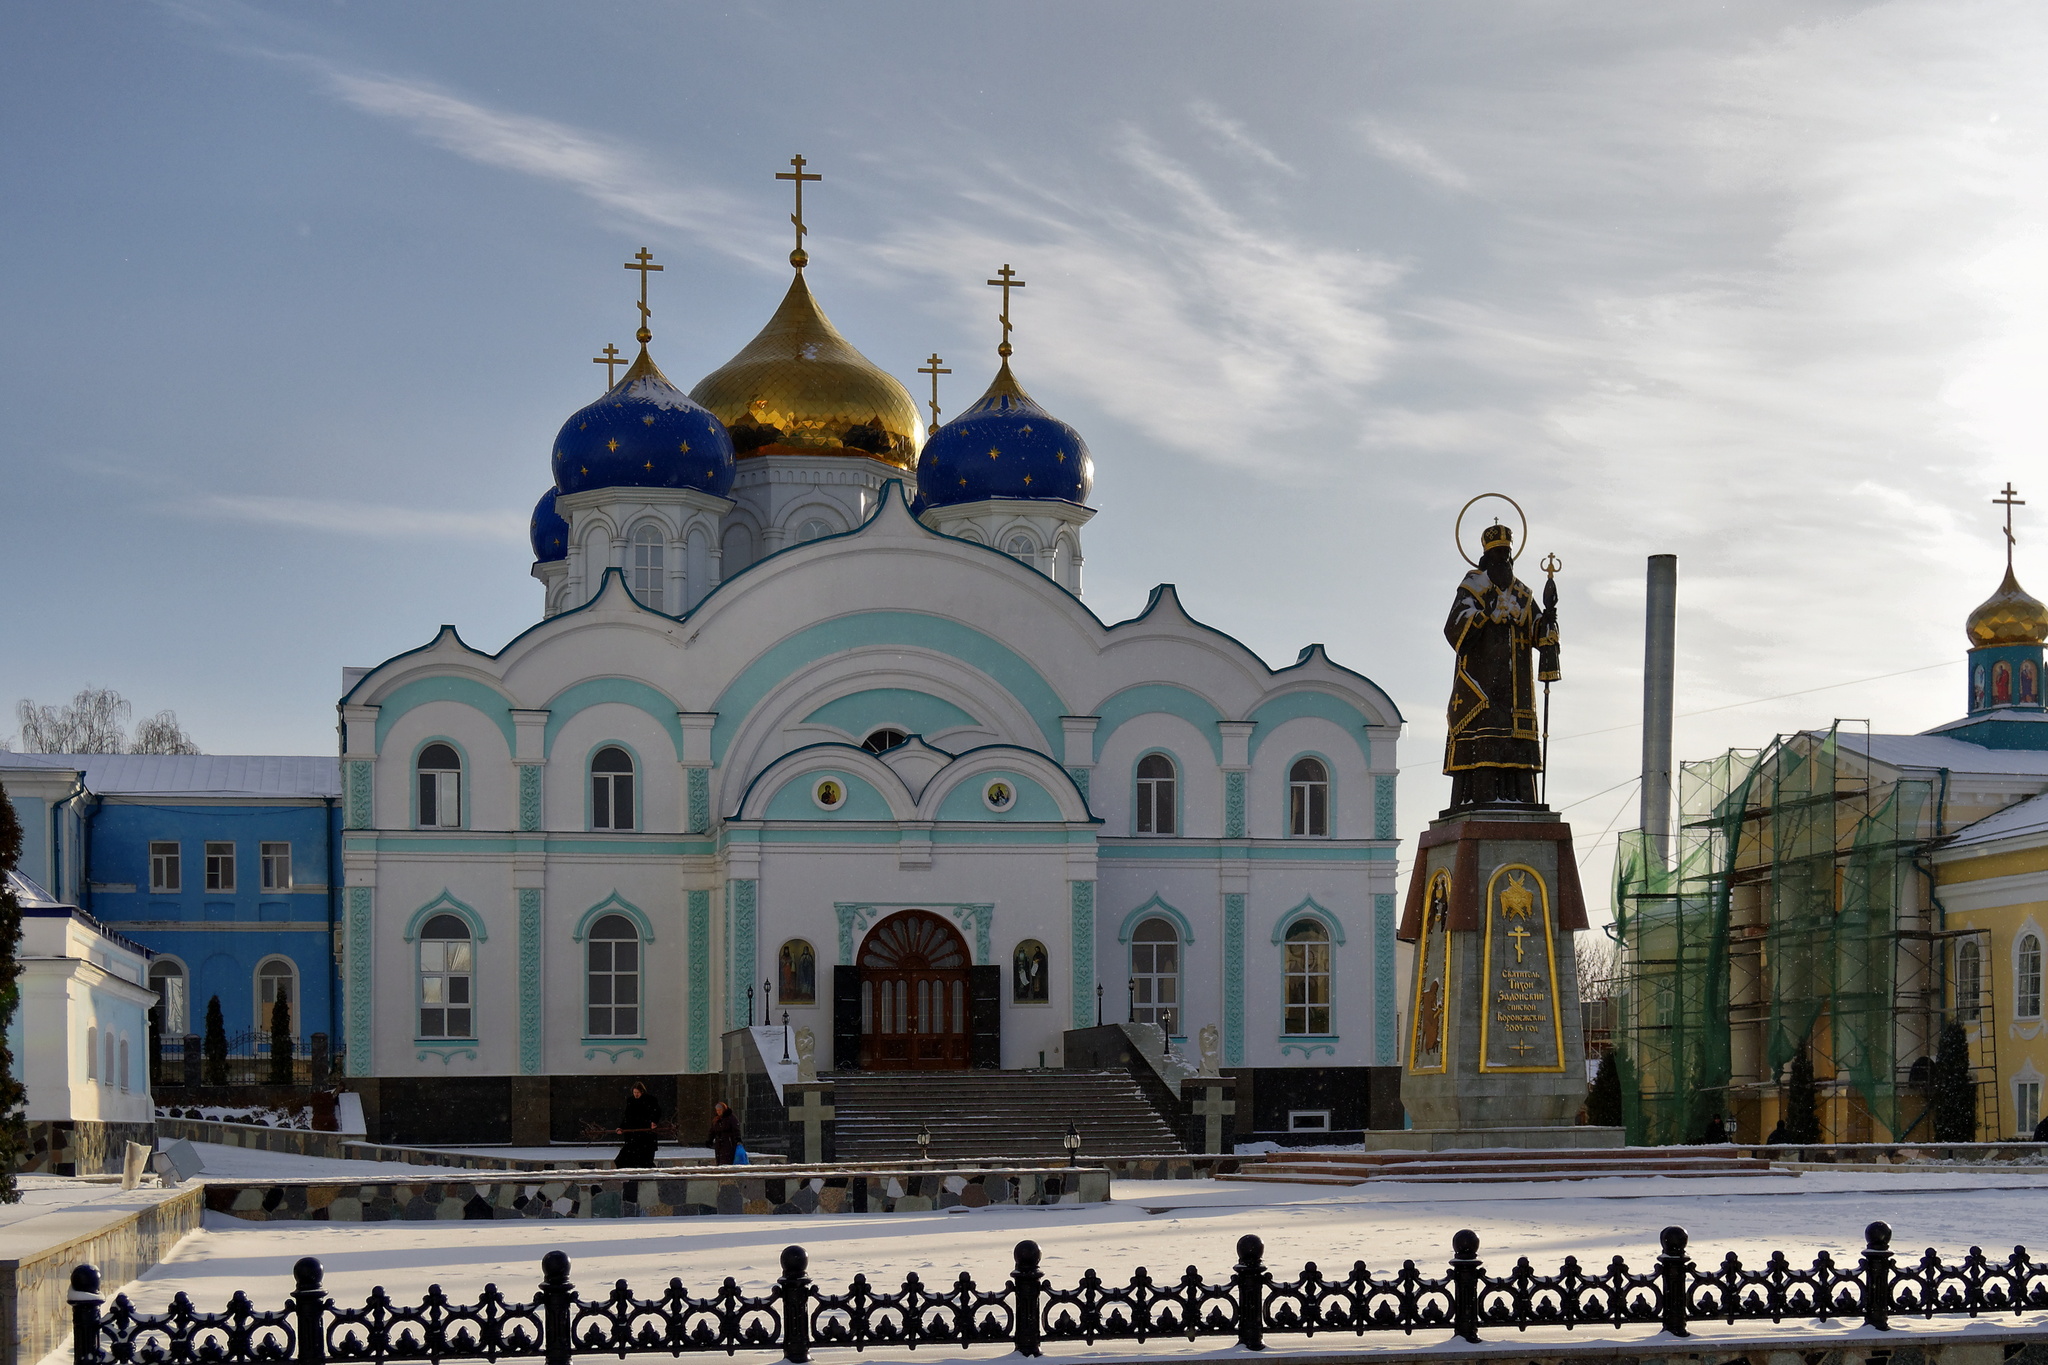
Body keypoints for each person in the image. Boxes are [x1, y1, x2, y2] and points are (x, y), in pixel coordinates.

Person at [613, 1082, 661, 1169]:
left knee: (645, 1160)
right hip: (633, 1135)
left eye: (637, 1093)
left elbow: (657, 1112)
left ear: (642, 1092)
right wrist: (621, 1127)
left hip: (646, 1135)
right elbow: (627, 1116)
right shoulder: (630, 1101)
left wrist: (654, 1122)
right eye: (634, 1092)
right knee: (623, 1159)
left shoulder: (650, 1100)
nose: (636, 1095)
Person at [707, 1099, 741, 1166]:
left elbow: (736, 1129)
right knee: (720, 1160)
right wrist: (709, 1140)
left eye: (720, 1110)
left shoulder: (731, 1118)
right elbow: (713, 1131)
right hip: (719, 1143)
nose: (718, 1112)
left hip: (728, 1142)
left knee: (727, 1160)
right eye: (717, 1110)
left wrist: (737, 1139)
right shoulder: (717, 1119)